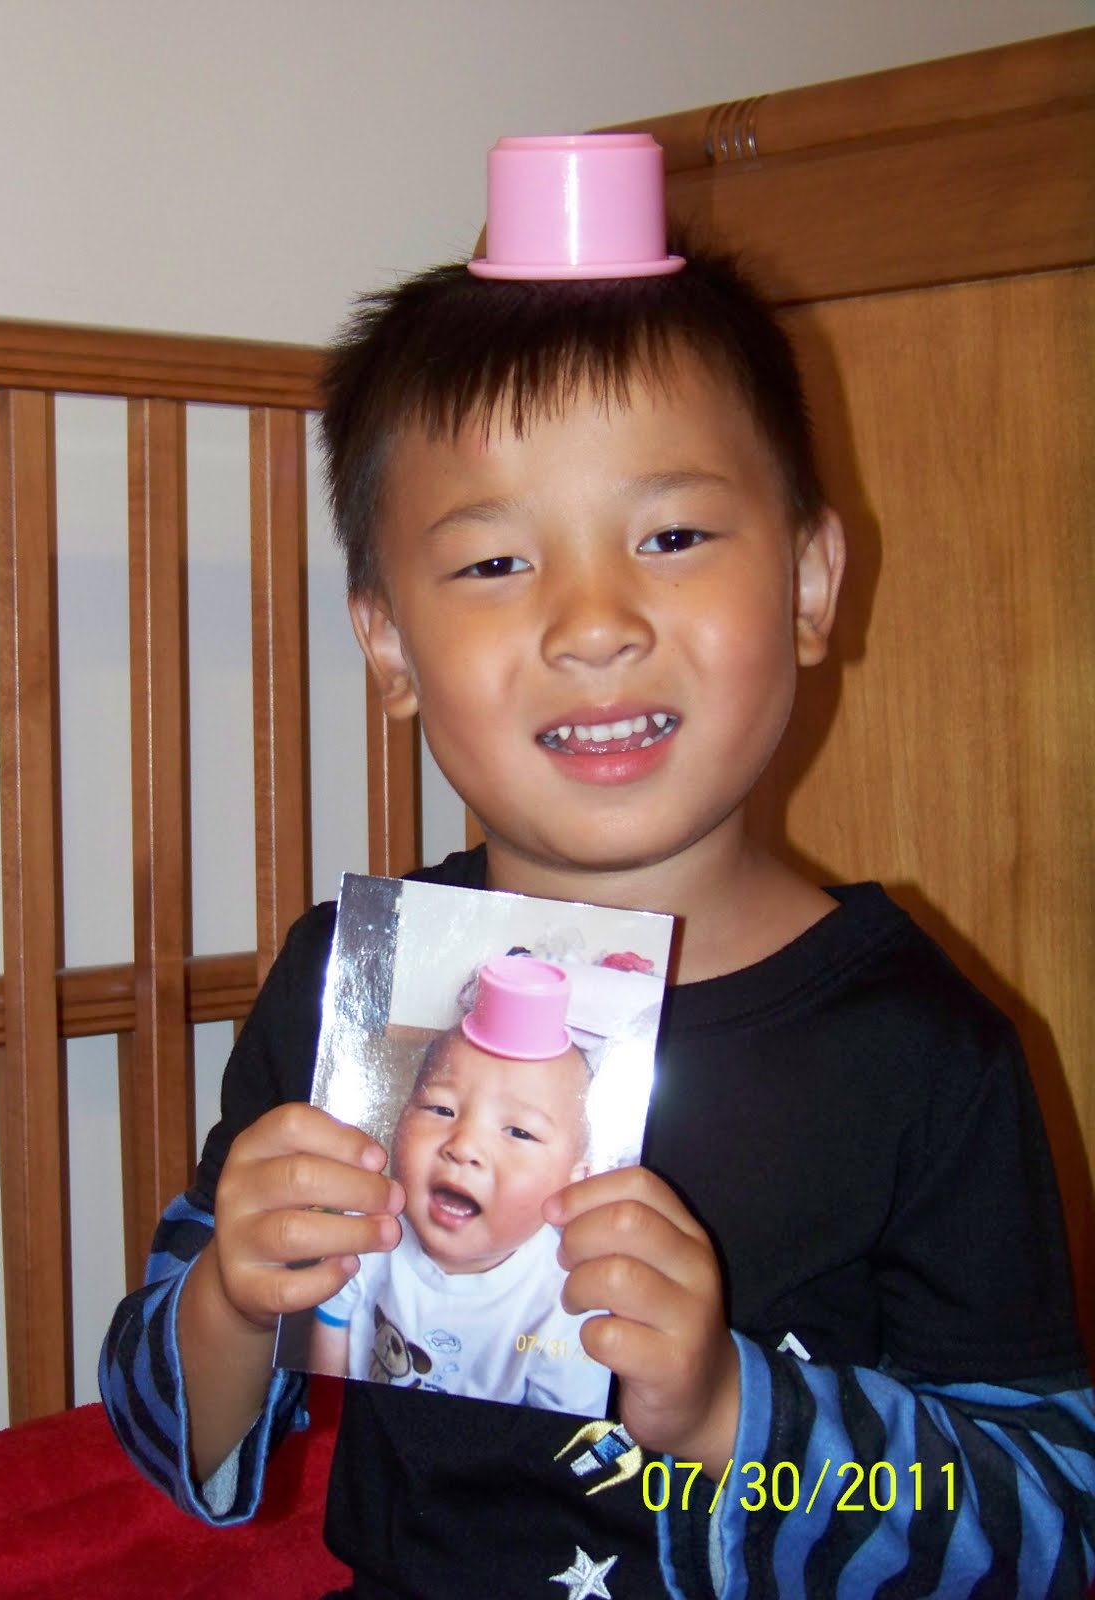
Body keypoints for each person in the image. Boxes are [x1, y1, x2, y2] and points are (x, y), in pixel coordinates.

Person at [101, 133, 1095, 1596]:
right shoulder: (346, 991)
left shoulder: (925, 1054)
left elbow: (1052, 1516)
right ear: (388, 644)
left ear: (811, 581)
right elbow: (166, 1433)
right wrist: (227, 1305)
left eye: (672, 533)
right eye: (496, 563)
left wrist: (737, 1413)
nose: (592, 624)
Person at [305, 984, 608, 1416]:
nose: (464, 1146)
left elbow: (562, 1438)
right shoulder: (367, 1229)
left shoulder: (568, 1304)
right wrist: (326, 1426)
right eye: (440, 1109)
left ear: (574, 1183)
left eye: (519, 1132)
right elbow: (330, 1341)